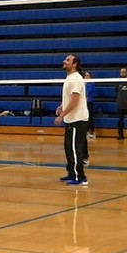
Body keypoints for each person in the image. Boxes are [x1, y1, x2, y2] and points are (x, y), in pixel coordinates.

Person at [56, 54, 89, 187]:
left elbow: (75, 101)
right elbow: (70, 98)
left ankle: (80, 177)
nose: (64, 61)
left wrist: (61, 115)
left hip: (78, 120)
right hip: (71, 120)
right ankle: (71, 172)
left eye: (68, 60)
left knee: (75, 149)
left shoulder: (76, 78)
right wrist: (61, 106)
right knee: (68, 148)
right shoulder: (69, 78)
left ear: (74, 64)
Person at [84, 71, 96, 142]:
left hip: (89, 103)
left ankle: (92, 132)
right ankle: (85, 132)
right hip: (83, 104)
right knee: (84, 118)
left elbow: (88, 92)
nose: (86, 77)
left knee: (90, 118)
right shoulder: (82, 84)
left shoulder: (92, 84)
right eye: (85, 76)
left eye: (88, 76)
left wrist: (85, 84)